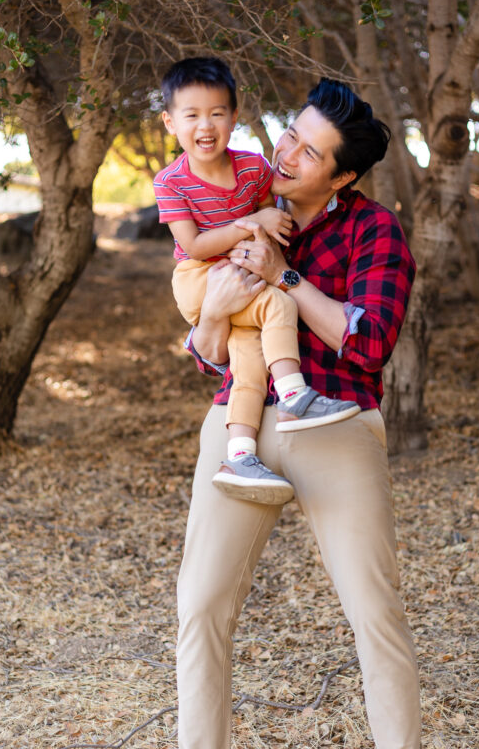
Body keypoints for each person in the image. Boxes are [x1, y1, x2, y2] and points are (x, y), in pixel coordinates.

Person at [147, 78, 450, 749]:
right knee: (201, 598)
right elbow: (208, 347)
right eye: (289, 135)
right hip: (237, 420)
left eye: (307, 152)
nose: (284, 153)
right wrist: (215, 308)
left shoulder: (375, 231)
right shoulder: (237, 201)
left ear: (341, 176)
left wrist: (283, 275)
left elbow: (368, 340)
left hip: (337, 421)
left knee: (371, 603)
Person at [154, 57, 359, 506]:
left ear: (235, 115)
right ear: (170, 121)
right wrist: (252, 223)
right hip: (198, 277)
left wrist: (264, 232)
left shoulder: (251, 167)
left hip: (243, 271)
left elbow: (273, 223)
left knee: (249, 363)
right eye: (191, 115)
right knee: (279, 305)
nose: (205, 126)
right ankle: (295, 394)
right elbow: (192, 246)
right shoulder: (171, 182)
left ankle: (240, 455)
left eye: (217, 113)